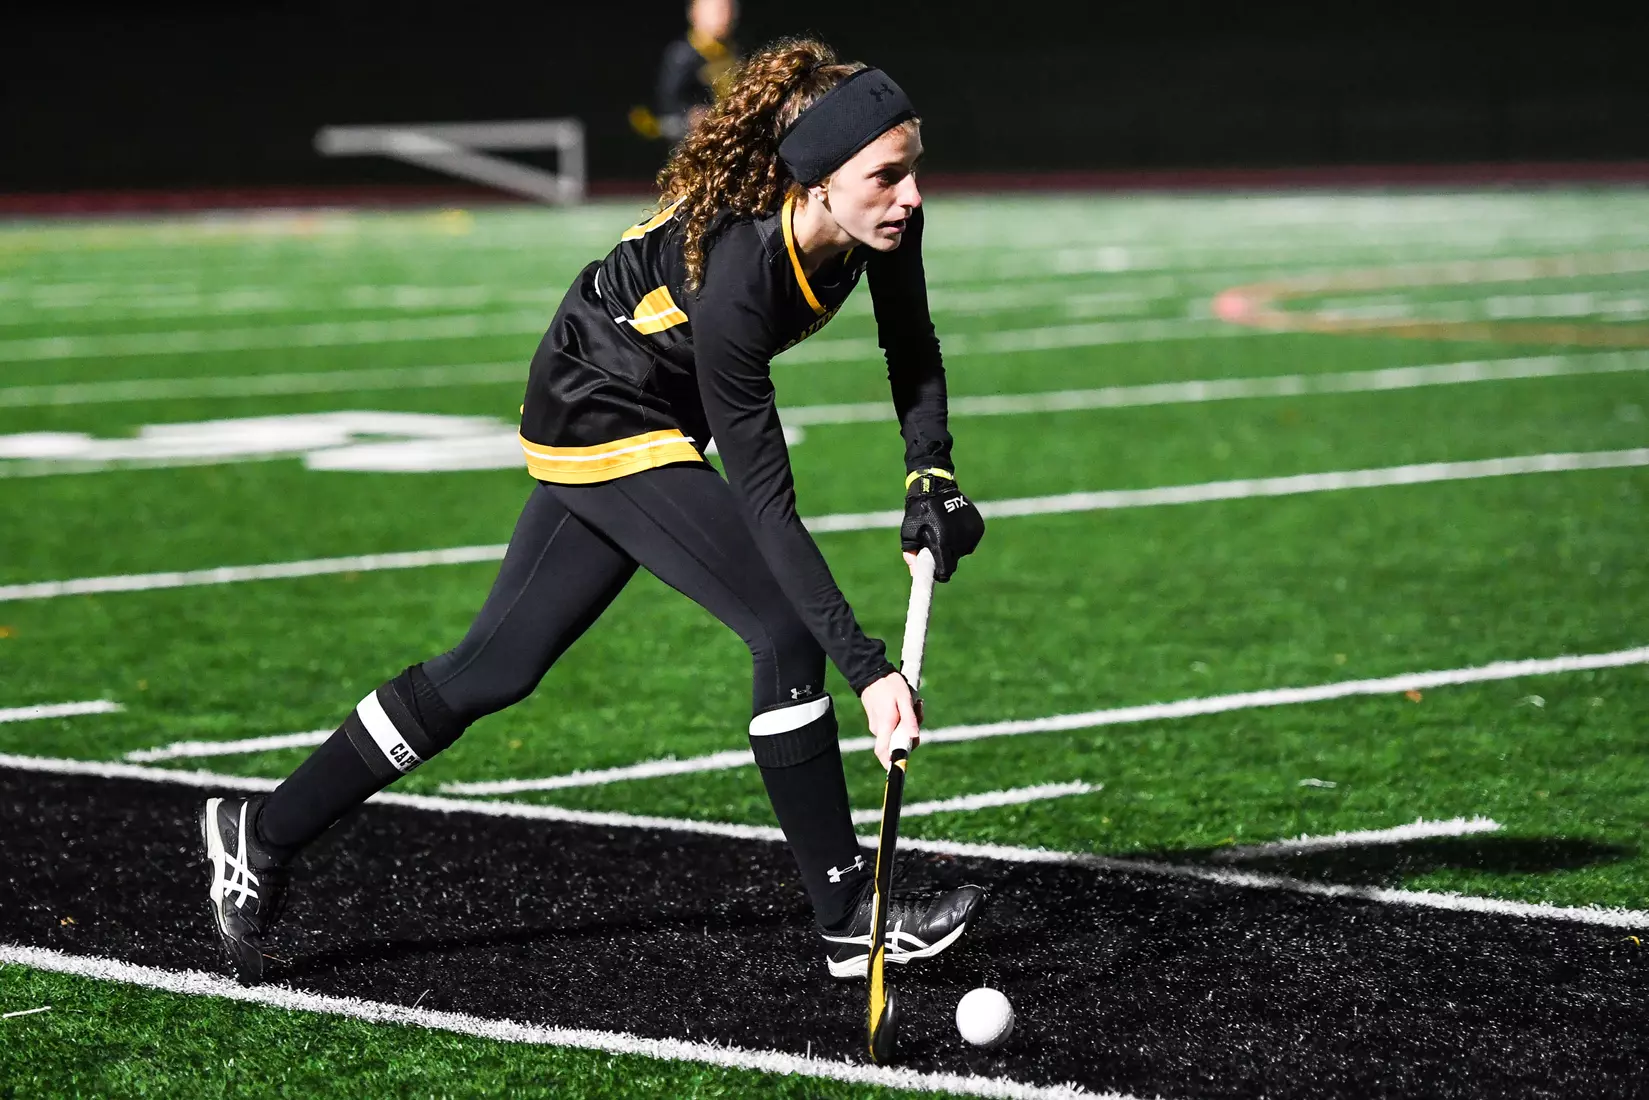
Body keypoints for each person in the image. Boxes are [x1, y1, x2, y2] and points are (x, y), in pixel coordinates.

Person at [200, 37, 987, 988]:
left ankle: (261, 830)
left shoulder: (874, 221)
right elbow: (768, 505)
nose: (908, 196)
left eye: (913, 172)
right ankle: (847, 914)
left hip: (652, 400)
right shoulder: (740, 273)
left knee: (493, 668)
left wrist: (928, 473)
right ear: (816, 182)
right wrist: (867, 670)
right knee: (783, 626)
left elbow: (912, 342)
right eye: (886, 177)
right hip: (596, 399)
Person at [629, 0, 740, 142]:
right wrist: (690, 115)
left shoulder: (734, 52)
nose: (722, 15)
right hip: (696, 144)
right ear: (694, 13)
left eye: (726, 8)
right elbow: (667, 101)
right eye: (714, 9)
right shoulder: (683, 54)